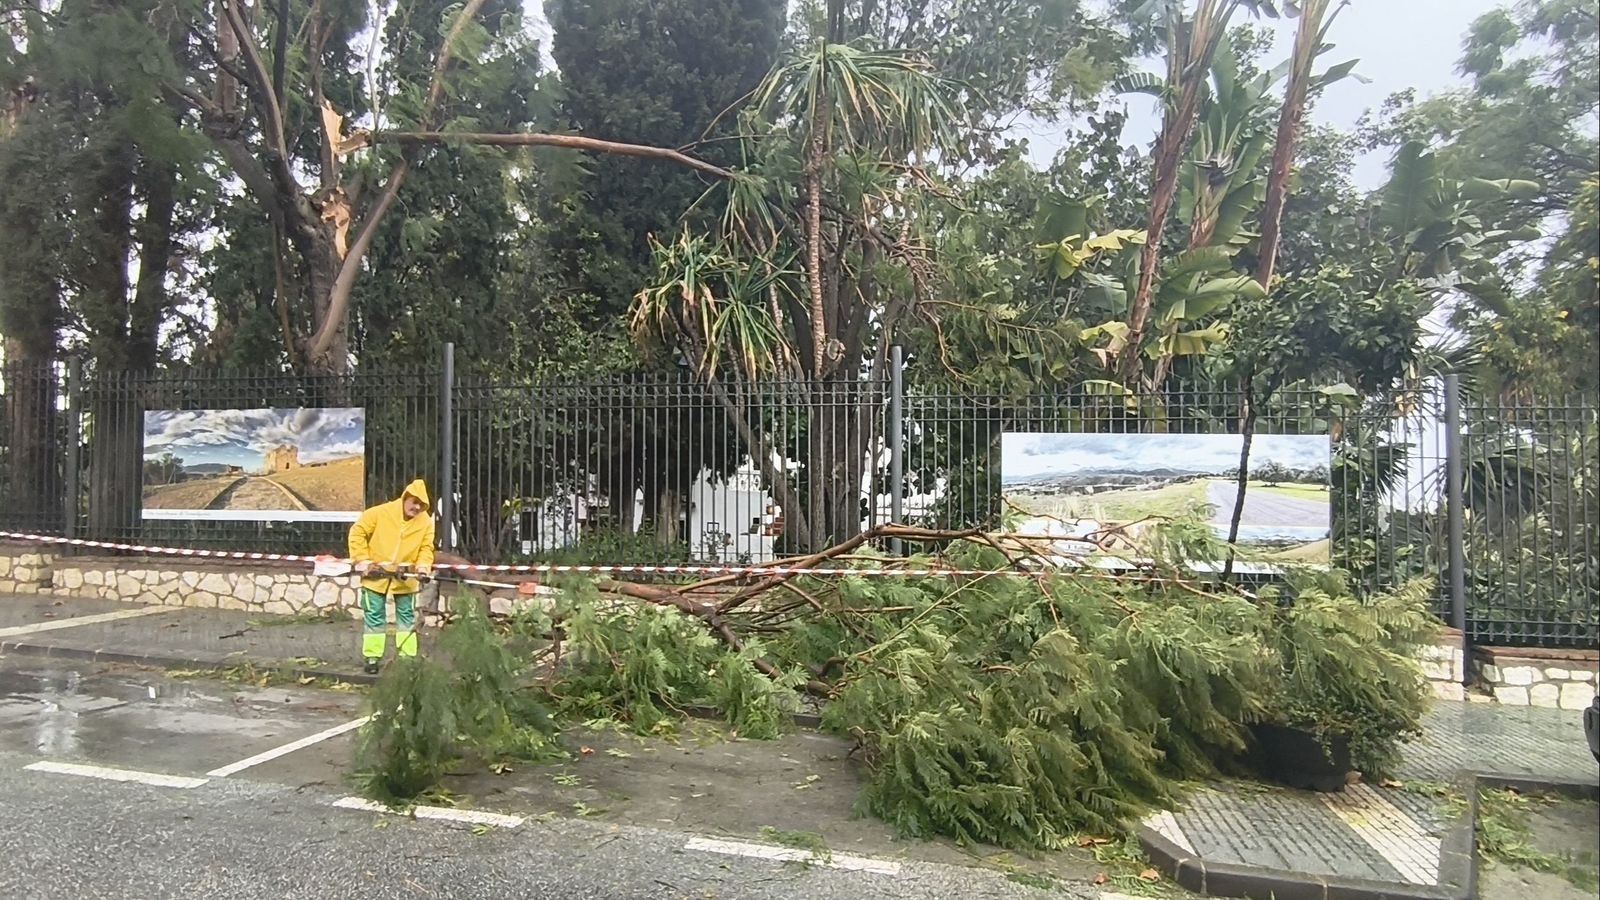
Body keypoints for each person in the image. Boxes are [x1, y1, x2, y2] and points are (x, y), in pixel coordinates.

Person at [348, 479, 435, 674]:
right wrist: (363, 561)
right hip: (375, 576)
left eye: (421, 505)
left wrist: (422, 568)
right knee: (374, 618)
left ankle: (406, 660)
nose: (417, 507)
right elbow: (357, 532)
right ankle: (372, 657)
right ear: (405, 497)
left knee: (406, 619)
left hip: (407, 578)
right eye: (414, 502)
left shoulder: (425, 522)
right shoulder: (380, 513)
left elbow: (426, 548)